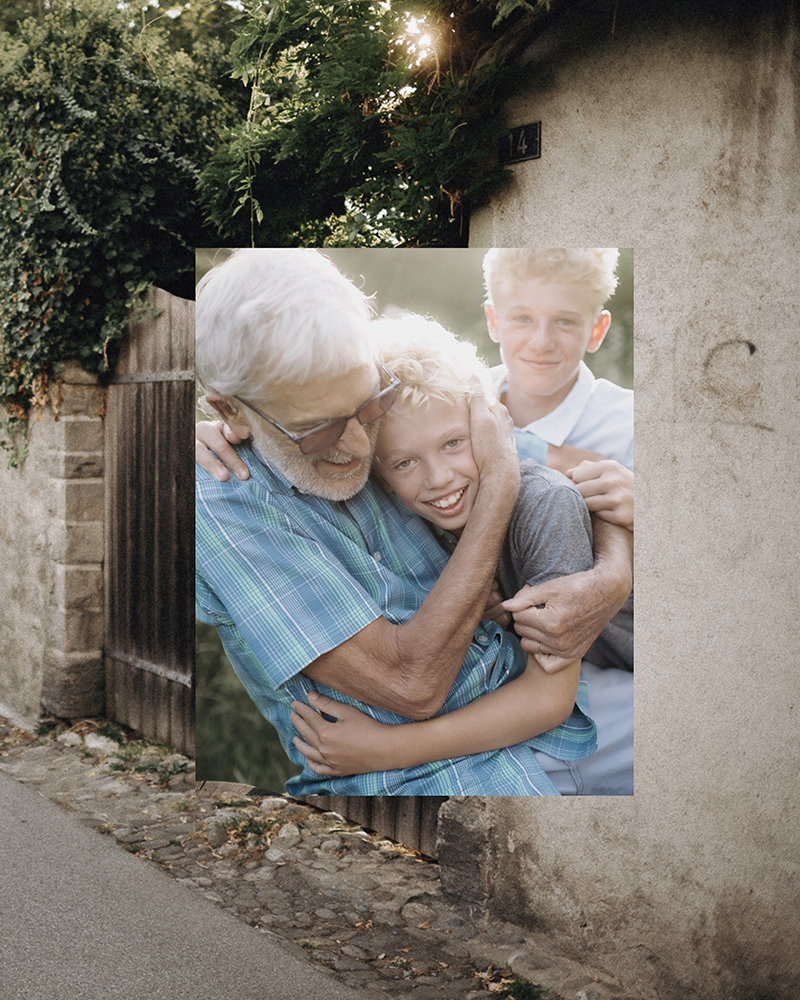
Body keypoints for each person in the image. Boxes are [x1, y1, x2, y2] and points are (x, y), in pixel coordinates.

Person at [195, 249, 632, 795]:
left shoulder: (390, 408)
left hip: (536, 715)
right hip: (434, 777)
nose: (358, 446)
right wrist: (498, 488)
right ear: (232, 412)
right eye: (318, 430)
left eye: (367, 406)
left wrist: (613, 575)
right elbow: (412, 683)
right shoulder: (228, 499)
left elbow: (595, 472)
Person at [289, 315, 623, 782]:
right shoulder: (412, 511)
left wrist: (386, 749)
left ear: (489, 431)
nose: (439, 478)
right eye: (405, 462)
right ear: (380, 478)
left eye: (453, 444)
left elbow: (550, 699)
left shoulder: (543, 504)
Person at [481, 249, 633, 673]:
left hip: (618, 667)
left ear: (596, 329)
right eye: (522, 319)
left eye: (564, 321)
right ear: (494, 320)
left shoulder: (633, 424)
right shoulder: (456, 403)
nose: (541, 342)